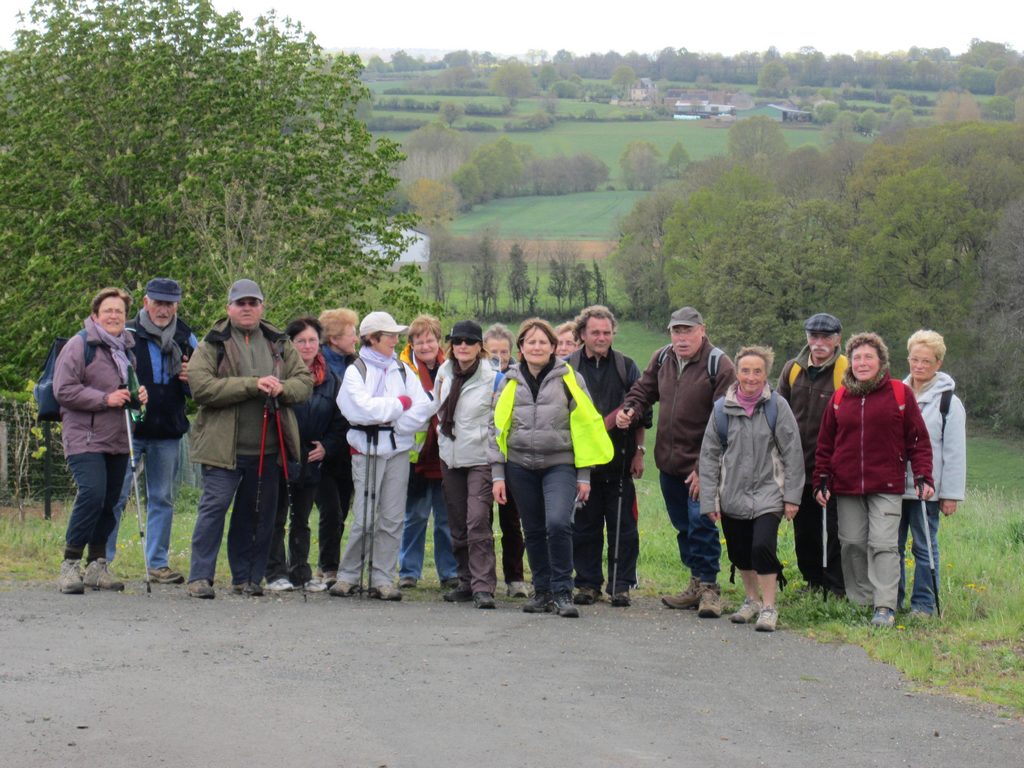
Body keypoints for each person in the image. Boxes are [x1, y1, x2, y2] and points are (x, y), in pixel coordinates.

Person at [185, 279, 313, 599]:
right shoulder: (212, 343)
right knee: (213, 511)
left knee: (256, 516)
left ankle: (246, 578)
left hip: (267, 449)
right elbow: (200, 388)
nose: (246, 308)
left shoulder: (279, 342)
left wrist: (282, 389)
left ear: (261, 307)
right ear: (228, 307)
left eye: (252, 303)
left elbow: (304, 382)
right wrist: (251, 385)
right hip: (222, 449)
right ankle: (200, 577)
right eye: (240, 303)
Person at [490, 318, 613, 618]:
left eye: (542, 342)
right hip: (519, 466)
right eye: (530, 341)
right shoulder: (508, 381)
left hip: (560, 464)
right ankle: (542, 590)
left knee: (558, 523)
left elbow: (585, 428)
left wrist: (584, 475)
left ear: (554, 347)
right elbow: (494, 429)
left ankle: (561, 591)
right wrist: (497, 475)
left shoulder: (570, 380)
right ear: (520, 347)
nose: (536, 346)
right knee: (532, 529)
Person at [617, 307, 735, 618]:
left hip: (702, 463)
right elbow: (644, 389)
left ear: (702, 330)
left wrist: (704, 467)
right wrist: (631, 407)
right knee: (683, 526)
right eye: (676, 331)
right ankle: (695, 583)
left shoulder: (718, 364)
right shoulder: (662, 358)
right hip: (669, 463)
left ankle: (710, 589)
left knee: (702, 523)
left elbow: (726, 421)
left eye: (688, 331)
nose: (682, 338)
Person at [814, 332, 934, 628]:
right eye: (857, 358)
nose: (862, 362)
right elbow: (826, 442)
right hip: (847, 485)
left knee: (883, 544)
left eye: (869, 357)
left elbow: (918, 439)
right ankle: (860, 600)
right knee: (852, 543)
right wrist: (822, 478)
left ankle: (884, 606)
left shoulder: (898, 393)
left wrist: (922, 474)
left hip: (887, 484)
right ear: (849, 363)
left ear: (881, 361)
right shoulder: (841, 397)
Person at [330, 311, 436, 600]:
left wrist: (397, 419)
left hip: (398, 449)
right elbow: (362, 410)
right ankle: (349, 575)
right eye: (389, 335)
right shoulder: (357, 370)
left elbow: (423, 404)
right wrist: (398, 405)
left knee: (392, 518)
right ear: (373, 338)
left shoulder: (401, 369)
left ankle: (383, 578)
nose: (396, 339)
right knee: (365, 518)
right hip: (366, 450)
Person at [700, 346, 804, 632]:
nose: (751, 377)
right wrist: (710, 501)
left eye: (757, 371)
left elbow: (793, 453)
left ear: (765, 373)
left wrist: (792, 497)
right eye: (745, 370)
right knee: (740, 551)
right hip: (732, 494)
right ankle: (751, 600)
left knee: (762, 547)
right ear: (737, 372)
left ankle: (769, 607)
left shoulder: (776, 407)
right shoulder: (722, 409)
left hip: (769, 494)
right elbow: (709, 457)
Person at [54, 287, 148, 593]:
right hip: (84, 436)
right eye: (108, 310)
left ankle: (97, 565)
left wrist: (138, 396)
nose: (114, 316)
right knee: (92, 494)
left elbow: (126, 395)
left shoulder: (125, 351)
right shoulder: (79, 345)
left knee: (110, 502)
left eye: (119, 311)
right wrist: (105, 398)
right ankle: (70, 565)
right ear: (95, 315)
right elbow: (63, 390)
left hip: (119, 438)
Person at [104, 278, 197, 585]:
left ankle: (157, 564)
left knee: (162, 498)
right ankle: (102, 562)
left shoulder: (186, 337)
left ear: (177, 305)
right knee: (116, 496)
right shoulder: (127, 333)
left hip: (168, 430)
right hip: (128, 427)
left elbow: (200, 386)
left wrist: (189, 379)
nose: (163, 309)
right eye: (157, 302)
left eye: (169, 303)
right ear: (146, 302)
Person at [567, 306, 650, 607]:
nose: (601, 337)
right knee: (584, 527)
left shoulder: (626, 367)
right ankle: (587, 584)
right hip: (581, 464)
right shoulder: (566, 367)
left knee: (623, 527)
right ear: (582, 335)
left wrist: (639, 452)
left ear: (613, 333)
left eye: (606, 332)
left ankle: (620, 585)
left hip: (620, 462)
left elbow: (643, 411)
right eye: (595, 332)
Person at [265, 316, 345, 592]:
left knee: (302, 518)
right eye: (301, 341)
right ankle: (275, 572)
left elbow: (339, 419)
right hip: (281, 454)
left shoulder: (331, 379)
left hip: (312, 456)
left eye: (312, 340)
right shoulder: (278, 372)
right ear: (290, 344)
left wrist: (327, 446)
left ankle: (300, 571)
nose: (308, 346)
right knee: (276, 516)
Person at [776, 313, 847, 598]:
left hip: (832, 468)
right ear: (807, 338)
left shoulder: (846, 371)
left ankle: (835, 586)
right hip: (798, 465)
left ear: (837, 340)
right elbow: (778, 411)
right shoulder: (792, 369)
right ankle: (813, 582)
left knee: (833, 531)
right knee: (804, 531)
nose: (819, 343)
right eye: (813, 337)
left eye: (826, 338)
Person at [898, 330, 966, 618]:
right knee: (892, 547)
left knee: (924, 547)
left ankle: (923, 605)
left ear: (938, 363)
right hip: (894, 485)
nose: (920, 366)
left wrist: (949, 494)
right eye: (915, 359)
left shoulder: (948, 402)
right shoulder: (896, 394)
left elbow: (954, 452)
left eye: (926, 361)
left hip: (928, 488)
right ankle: (893, 600)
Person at [434, 320, 501, 608]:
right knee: (458, 521)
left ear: (479, 346)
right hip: (450, 455)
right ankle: (465, 581)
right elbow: (438, 410)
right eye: (457, 340)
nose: (462, 346)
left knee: (477, 520)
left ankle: (483, 586)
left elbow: (497, 422)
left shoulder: (493, 377)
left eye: (469, 341)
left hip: (480, 458)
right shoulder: (444, 373)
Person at [397, 315, 458, 590]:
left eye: (430, 339)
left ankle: (449, 572)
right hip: (416, 455)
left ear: (438, 341)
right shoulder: (403, 370)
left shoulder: (451, 368)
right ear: (411, 343)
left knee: (446, 518)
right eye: (419, 341)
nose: (425, 345)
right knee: (416, 516)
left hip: (445, 453)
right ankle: (409, 571)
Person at [483, 323, 530, 598]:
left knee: (512, 522)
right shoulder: (480, 376)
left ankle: (515, 578)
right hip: (482, 456)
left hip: (512, 457)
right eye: (493, 352)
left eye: (503, 352)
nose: (498, 357)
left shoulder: (518, 378)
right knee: (482, 520)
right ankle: (485, 578)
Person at [316, 307, 359, 586]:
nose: (355, 338)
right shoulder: (318, 365)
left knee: (342, 508)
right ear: (333, 338)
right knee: (330, 509)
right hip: (321, 448)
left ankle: (328, 563)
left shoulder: (356, 364)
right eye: (351, 333)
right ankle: (328, 566)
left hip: (348, 449)